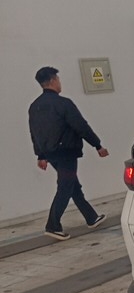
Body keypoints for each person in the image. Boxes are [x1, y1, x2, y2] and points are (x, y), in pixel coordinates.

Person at [28, 66, 110, 240]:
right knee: (65, 187)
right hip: (66, 152)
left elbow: (34, 133)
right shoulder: (63, 103)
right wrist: (97, 145)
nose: (60, 82)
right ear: (53, 80)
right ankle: (53, 226)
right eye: (58, 79)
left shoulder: (34, 107)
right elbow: (81, 126)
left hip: (50, 154)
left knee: (72, 185)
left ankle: (91, 217)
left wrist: (40, 155)